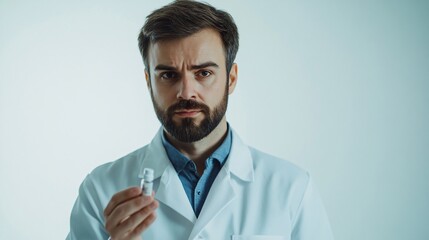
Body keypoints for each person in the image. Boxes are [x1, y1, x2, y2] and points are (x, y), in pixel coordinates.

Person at [67, 1, 333, 239]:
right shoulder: (101, 189)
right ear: (149, 81)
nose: (186, 92)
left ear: (231, 78)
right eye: (168, 75)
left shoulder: (292, 189)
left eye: (203, 73)